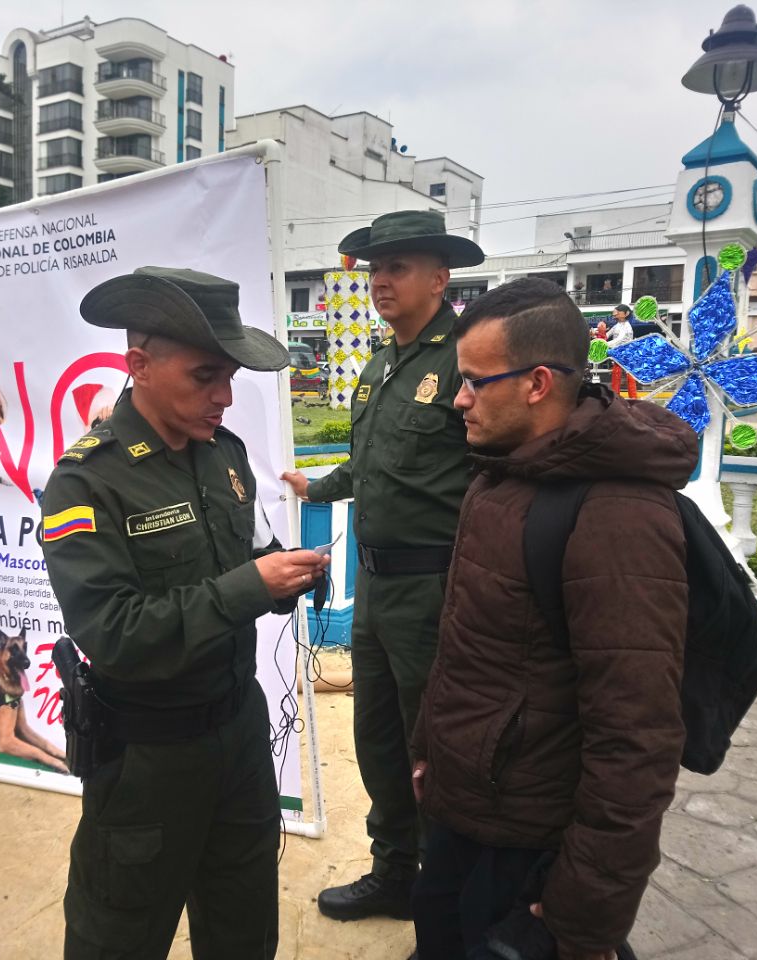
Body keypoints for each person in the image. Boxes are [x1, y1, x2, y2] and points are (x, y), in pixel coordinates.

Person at [40, 267, 328, 960]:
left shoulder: (222, 456)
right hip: (148, 757)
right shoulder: (88, 480)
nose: (224, 398)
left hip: (237, 732)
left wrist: (284, 575)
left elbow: (248, 555)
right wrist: (248, 589)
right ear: (138, 364)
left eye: (230, 377)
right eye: (205, 377)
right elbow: (112, 634)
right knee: (120, 936)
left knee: (243, 927)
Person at [409, 293, 696, 960]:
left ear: (539, 384)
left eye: (476, 383)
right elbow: (469, 645)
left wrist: (586, 914)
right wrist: (431, 747)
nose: (460, 400)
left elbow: (637, 735)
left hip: (528, 843)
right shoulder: (502, 474)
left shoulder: (618, 514)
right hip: (467, 817)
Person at [279, 210, 483, 922]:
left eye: (398, 267)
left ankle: (447, 889)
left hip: (435, 588)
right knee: (380, 742)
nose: (381, 281)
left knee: (438, 744)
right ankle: (395, 869)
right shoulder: (380, 364)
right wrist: (317, 487)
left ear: (439, 276)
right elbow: (372, 465)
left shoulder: (465, 359)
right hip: (375, 587)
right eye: (374, 269)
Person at [606, 304, 638, 399]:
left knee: (630, 377)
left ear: (626, 313)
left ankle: (633, 397)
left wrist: (606, 344)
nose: (616, 313)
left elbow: (620, 339)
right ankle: (615, 396)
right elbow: (608, 334)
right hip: (618, 354)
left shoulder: (627, 327)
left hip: (627, 354)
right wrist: (598, 334)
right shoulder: (616, 326)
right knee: (616, 375)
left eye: (619, 311)